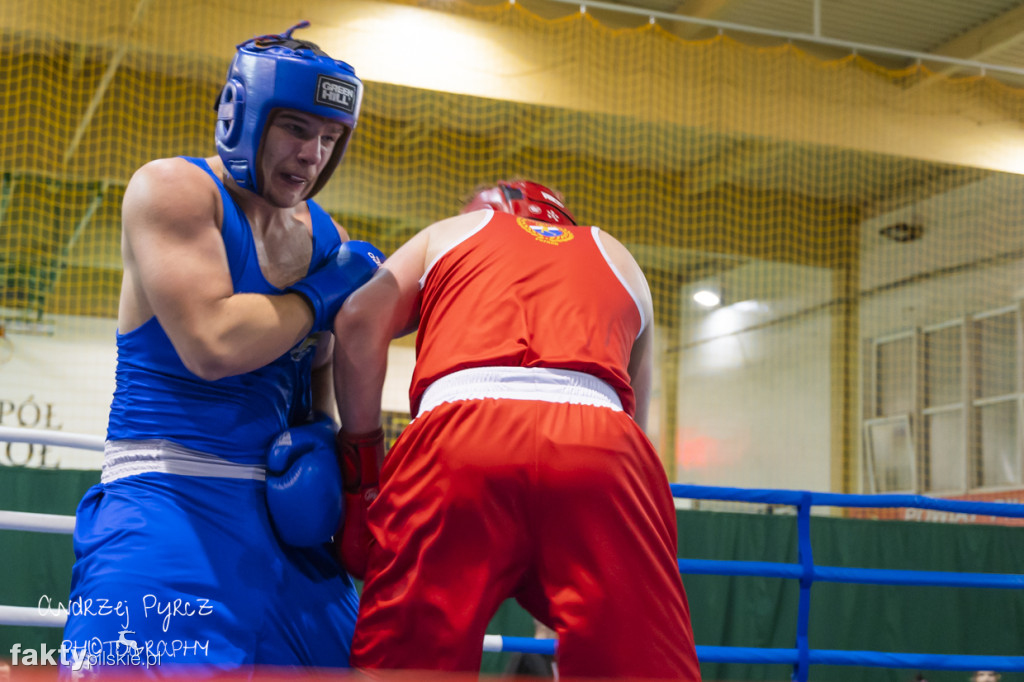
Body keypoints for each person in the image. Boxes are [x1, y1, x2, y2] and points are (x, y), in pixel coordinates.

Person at [60, 22, 382, 676]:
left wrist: (325, 448)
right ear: (244, 116)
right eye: (296, 129)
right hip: (167, 505)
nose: (312, 155)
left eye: (329, 138)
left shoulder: (326, 237)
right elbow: (212, 343)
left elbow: (310, 380)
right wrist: (324, 294)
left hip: (284, 530)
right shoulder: (173, 190)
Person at [332, 180, 702, 679]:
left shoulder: (454, 233)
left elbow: (357, 318)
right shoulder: (618, 255)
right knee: (638, 664)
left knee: (404, 663)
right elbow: (635, 414)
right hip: (602, 447)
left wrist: (362, 469)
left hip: (458, 440)